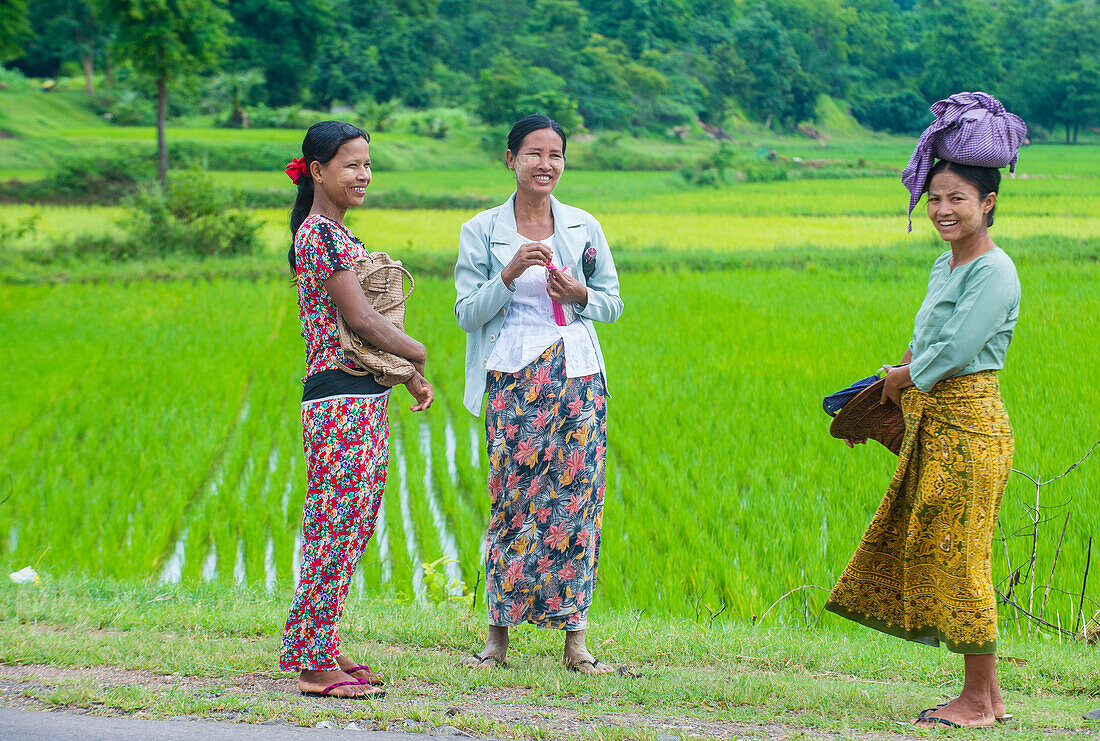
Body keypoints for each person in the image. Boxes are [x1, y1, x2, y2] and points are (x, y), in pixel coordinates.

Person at [826, 93, 1026, 729]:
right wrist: (896, 379)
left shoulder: (995, 272)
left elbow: (959, 351)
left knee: (962, 558)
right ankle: (986, 696)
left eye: (957, 199)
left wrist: (901, 378)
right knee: (946, 551)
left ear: (987, 203)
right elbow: (928, 340)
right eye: (936, 198)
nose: (943, 209)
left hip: (972, 427)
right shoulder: (946, 267)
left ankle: (978, 700)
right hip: (936, 424)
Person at [454, 114, 623, 674]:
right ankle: (496, 638)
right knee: (511, 500)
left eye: (555, 154)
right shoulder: (482, 229)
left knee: (578, 501)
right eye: (533, 153)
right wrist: (504, 276)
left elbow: (611, 303)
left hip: (577, 377)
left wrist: (578, 293)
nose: (545, 164)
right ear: (510, 160)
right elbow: (465, 313)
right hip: (511, 375)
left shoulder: (583, 227)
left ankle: (576, 641)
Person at [280, 120, 434, 699]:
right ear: (318, 171)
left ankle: (318, 646)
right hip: (339, 403)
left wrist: (408, 375)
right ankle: (314, 664)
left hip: (362, 398)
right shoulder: (320, 234)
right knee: (334, 530)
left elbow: (368, 335)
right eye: (351, 164)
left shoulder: (339, 235)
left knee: (351, 527)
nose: (363, 175)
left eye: (368, 164)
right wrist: (418, 351)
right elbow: (364, 322)